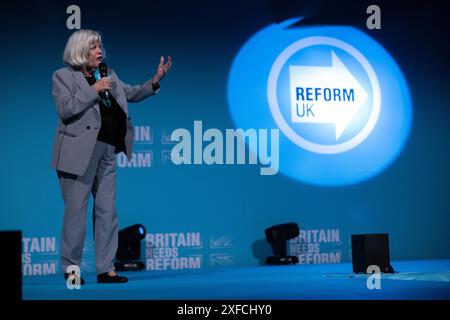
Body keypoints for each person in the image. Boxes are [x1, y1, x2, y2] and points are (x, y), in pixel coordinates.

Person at [50, 29, 172, 284]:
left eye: (99, 46)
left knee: (107, 211)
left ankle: (106, 269)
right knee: (76, 215)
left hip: (107, 150)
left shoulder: (108, 73)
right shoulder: (63, 76)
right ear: (79, 50)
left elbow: (130, 93)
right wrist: (93, 89)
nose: (99, 51)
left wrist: (155, 81)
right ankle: (72, 273)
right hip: (78, 154)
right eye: (94, 47)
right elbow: (66, 110)